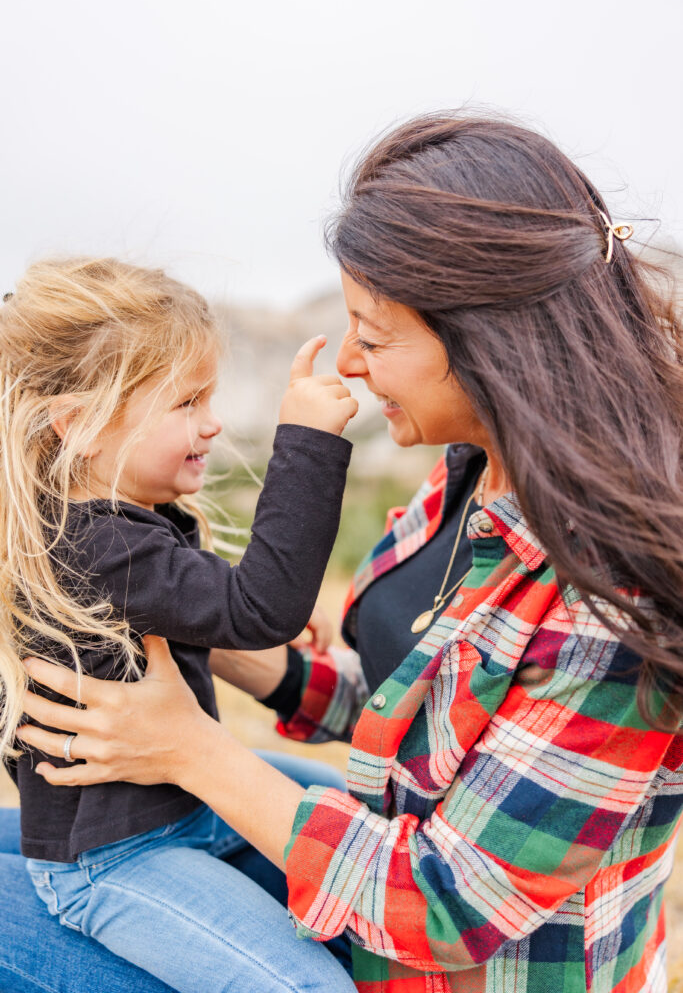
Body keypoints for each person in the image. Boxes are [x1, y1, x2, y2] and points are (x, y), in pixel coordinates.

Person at [6, 113, 683, 993]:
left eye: (373, 331)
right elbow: (415, 715)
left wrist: (191, 752)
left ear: (483, 338)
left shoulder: (609, 599)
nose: (351, 363)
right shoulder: (461, 486)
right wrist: (255, 670)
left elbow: (446, 903)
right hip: (353, 904)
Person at [0, 257, 359, 993]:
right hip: (116, 859)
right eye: (187, 401)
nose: (213, 421)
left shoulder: (99, 528)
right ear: (81, 426)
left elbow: (213, 606)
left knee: (341, 808)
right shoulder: (96, 543)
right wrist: (308, 443)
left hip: (184, 808)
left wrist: (224, 612)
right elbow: (262, 608)